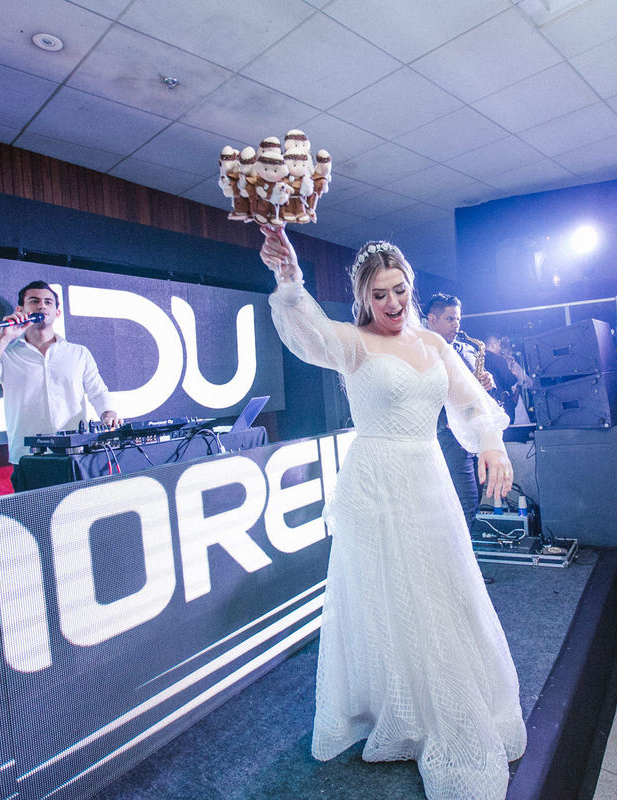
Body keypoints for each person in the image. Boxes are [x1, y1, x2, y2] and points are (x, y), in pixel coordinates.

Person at [258, 224, 525, 799]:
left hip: (427, 478)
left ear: (412, 286)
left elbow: (471, 404)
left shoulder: (433, 344)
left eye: (399, 290)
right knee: (385, 597)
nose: (392, 304)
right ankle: (394, 709)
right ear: (363, 297)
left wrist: (493, 444)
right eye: (379, 294)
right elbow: (304, 330)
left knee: (440, 589)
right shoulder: (353, 343)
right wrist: (288, 275)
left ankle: (442, 704)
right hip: (374, 484)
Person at [0, 280, 120, 491]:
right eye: (34, 301)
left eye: (48, 302)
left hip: (75, 455)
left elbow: (98, 392)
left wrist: (108, 413)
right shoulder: (6, 353)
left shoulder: (78, 353)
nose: (42, 306)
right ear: (21, 310)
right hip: (29, 459)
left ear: (57, 312)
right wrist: (3, 338)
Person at [424, 294, 498, 528]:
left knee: (471, 500)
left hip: (472, 436)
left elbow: (477, 392)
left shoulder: (467, 349)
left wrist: (488, 382)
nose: (457, 324)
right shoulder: (422, 351)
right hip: (447, 436)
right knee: (465, 504)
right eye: (450, 319)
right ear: (431, 319)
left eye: (458, 318)